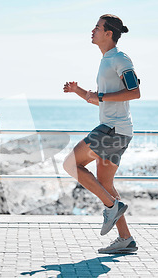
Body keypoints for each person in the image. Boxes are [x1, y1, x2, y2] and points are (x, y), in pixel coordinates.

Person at [62, 14, 140, 254]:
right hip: (118, 130)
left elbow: (134, 92)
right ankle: (125, 238)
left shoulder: (119, 58)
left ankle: (110, 206)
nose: (92, 30)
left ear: (109, 34)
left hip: (112, 130)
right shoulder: (107, 60)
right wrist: (79, 91)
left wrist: (102, 97)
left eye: (97, 27)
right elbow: (103, 102)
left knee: (71, 164)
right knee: (105, 184)